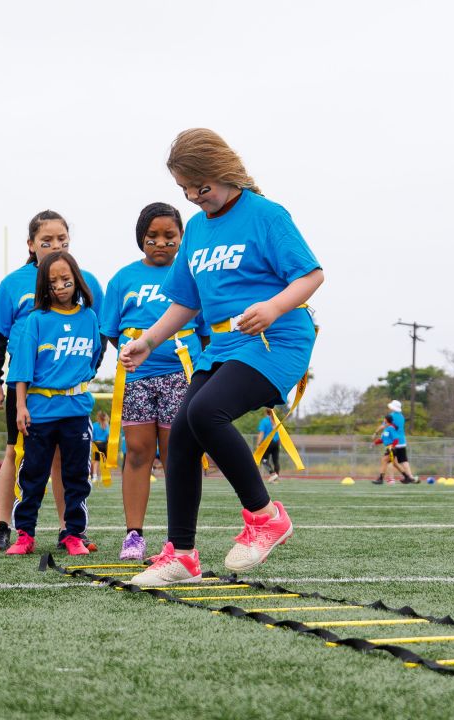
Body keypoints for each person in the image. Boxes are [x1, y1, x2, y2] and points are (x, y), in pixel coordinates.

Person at [124, 128, 324, 586]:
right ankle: (182, 555)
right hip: (224, 346)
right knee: (184, 431)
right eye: (184, 190)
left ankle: (266, 516)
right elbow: (185, 302)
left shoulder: (266, 215)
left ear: (224, 172)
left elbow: (311, 275)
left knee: (207, 411)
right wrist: (149, 340)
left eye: (201, 186)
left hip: (277, 340)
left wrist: (273, 306)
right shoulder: (195, 229)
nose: (194, 197)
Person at [0, 210, 106, 552]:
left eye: (62, 240)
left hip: (67, 392)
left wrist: (87, 372)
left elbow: (100, 332)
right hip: (26, 387)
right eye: (46, 241)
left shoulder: (85, 280)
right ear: (31, 244)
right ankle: (4, 525)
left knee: (66, 462)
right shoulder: (14, 283)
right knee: (16, 454)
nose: (54, 246)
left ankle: (70, 529)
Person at [99, 202, 209, 561]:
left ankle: (179, 541)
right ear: (140, 239)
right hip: (137, 379)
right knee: (139, 453)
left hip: (181, 376)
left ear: (182, 238)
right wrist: (133, 353)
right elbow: (112, 331)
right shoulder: (123, 279)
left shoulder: (194, 275)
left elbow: (207, 332)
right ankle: (134, 535)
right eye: (152, 236)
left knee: (178, 454)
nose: (161, 243)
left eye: (170, 236)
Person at [5, 251, 103, 556]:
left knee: (76, 475)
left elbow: (95, 356)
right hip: (40, 411)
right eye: (52, 282)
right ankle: (24, 534)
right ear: (43, 287)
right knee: (32, 475)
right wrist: (21, 406)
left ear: (76, 280)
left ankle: (73, 534)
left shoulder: (89, 317)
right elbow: (21, 367)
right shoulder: (36, 319)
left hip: (76, 410)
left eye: (66, 279)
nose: (60, 286)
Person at [380, 399, 417, 482]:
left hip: (393, 442)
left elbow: (384, 426)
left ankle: (391, 479)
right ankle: (410, 477)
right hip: (402, 441)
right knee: (404, 460)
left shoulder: (390, 416)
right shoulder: (402, 417)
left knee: (389, 460)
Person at [372, 415, 411, 484]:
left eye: (384, 419)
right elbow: (383, 439)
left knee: (384, 460)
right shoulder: (387, 429)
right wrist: (375, 443)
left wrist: (392, 446)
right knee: (395, 464)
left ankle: (380, 479)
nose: (383, 420)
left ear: (386, 420)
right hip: (389, 448)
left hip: (391, 448)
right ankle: (407, 477)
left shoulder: (391, 428)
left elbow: (396, 439)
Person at [257, 408, 281, 483]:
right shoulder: (277, 421)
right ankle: (275, 479)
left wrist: (258, 444)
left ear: (266, 412)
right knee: (276, 461)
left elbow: (261, 433)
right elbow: (280, 433)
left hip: (268, 443)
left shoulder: (264, 421)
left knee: (264, 460)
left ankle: (272, 473)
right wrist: (279, 444)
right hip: (276, 442)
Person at [90, 411, 110, 483]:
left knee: (96, 462)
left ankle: (95, 477)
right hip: (104, 445)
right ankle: (102, 476)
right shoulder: (107, 426)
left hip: (95, 444)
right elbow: (108, 437)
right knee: (103, 462)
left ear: (98, 417)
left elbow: (91, 436)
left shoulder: (94, 425)